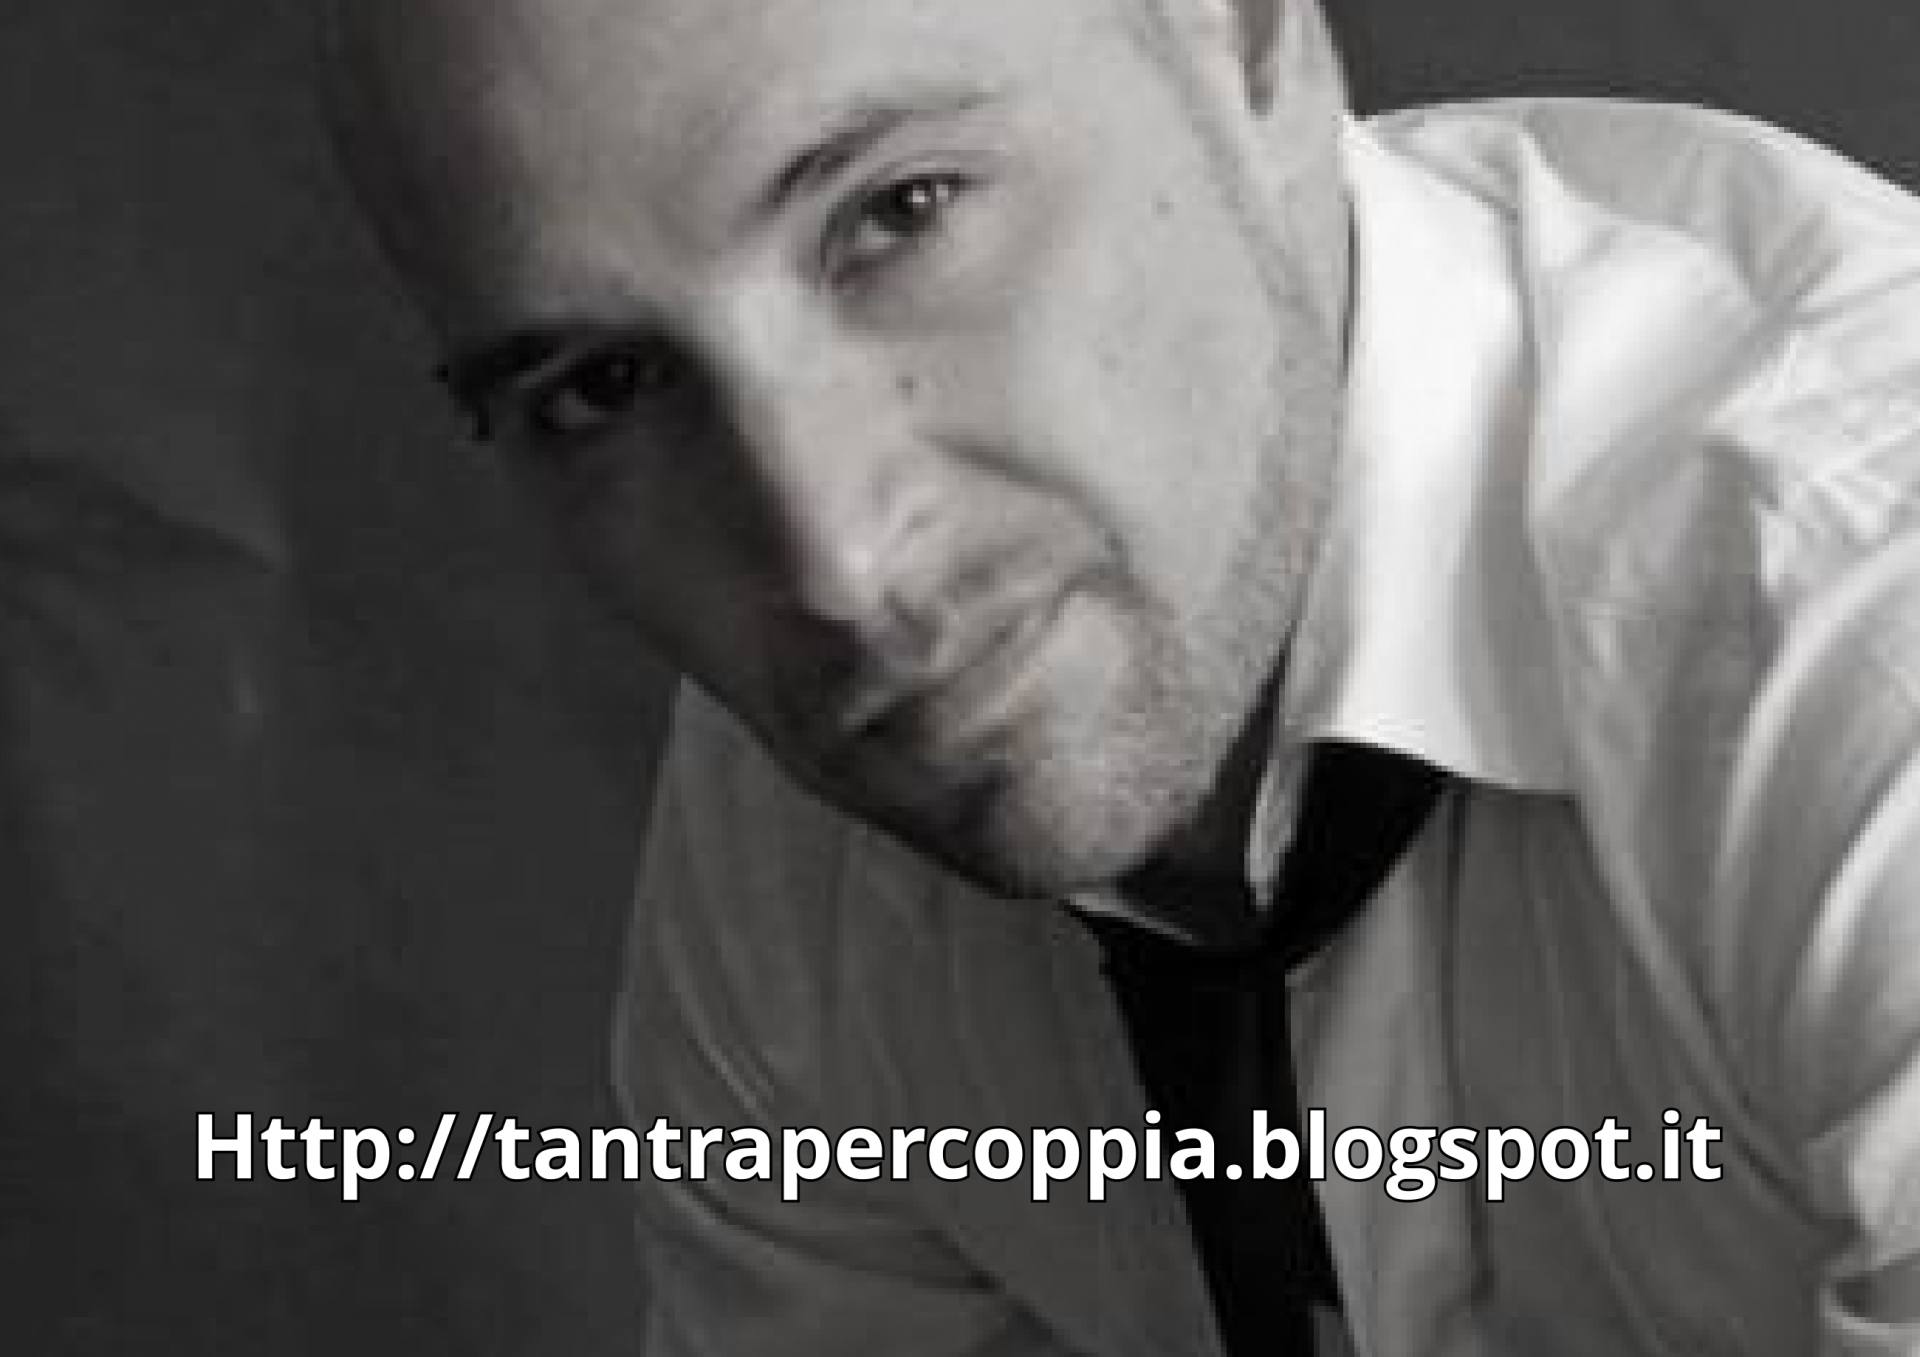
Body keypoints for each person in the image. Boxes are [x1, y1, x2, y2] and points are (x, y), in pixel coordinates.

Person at [319, 0, 1920, 1352]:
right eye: (602, 387)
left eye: (899, 212)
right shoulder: (819, 810)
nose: (841, 564)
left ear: (1248, 42)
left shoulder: (1859, 631)